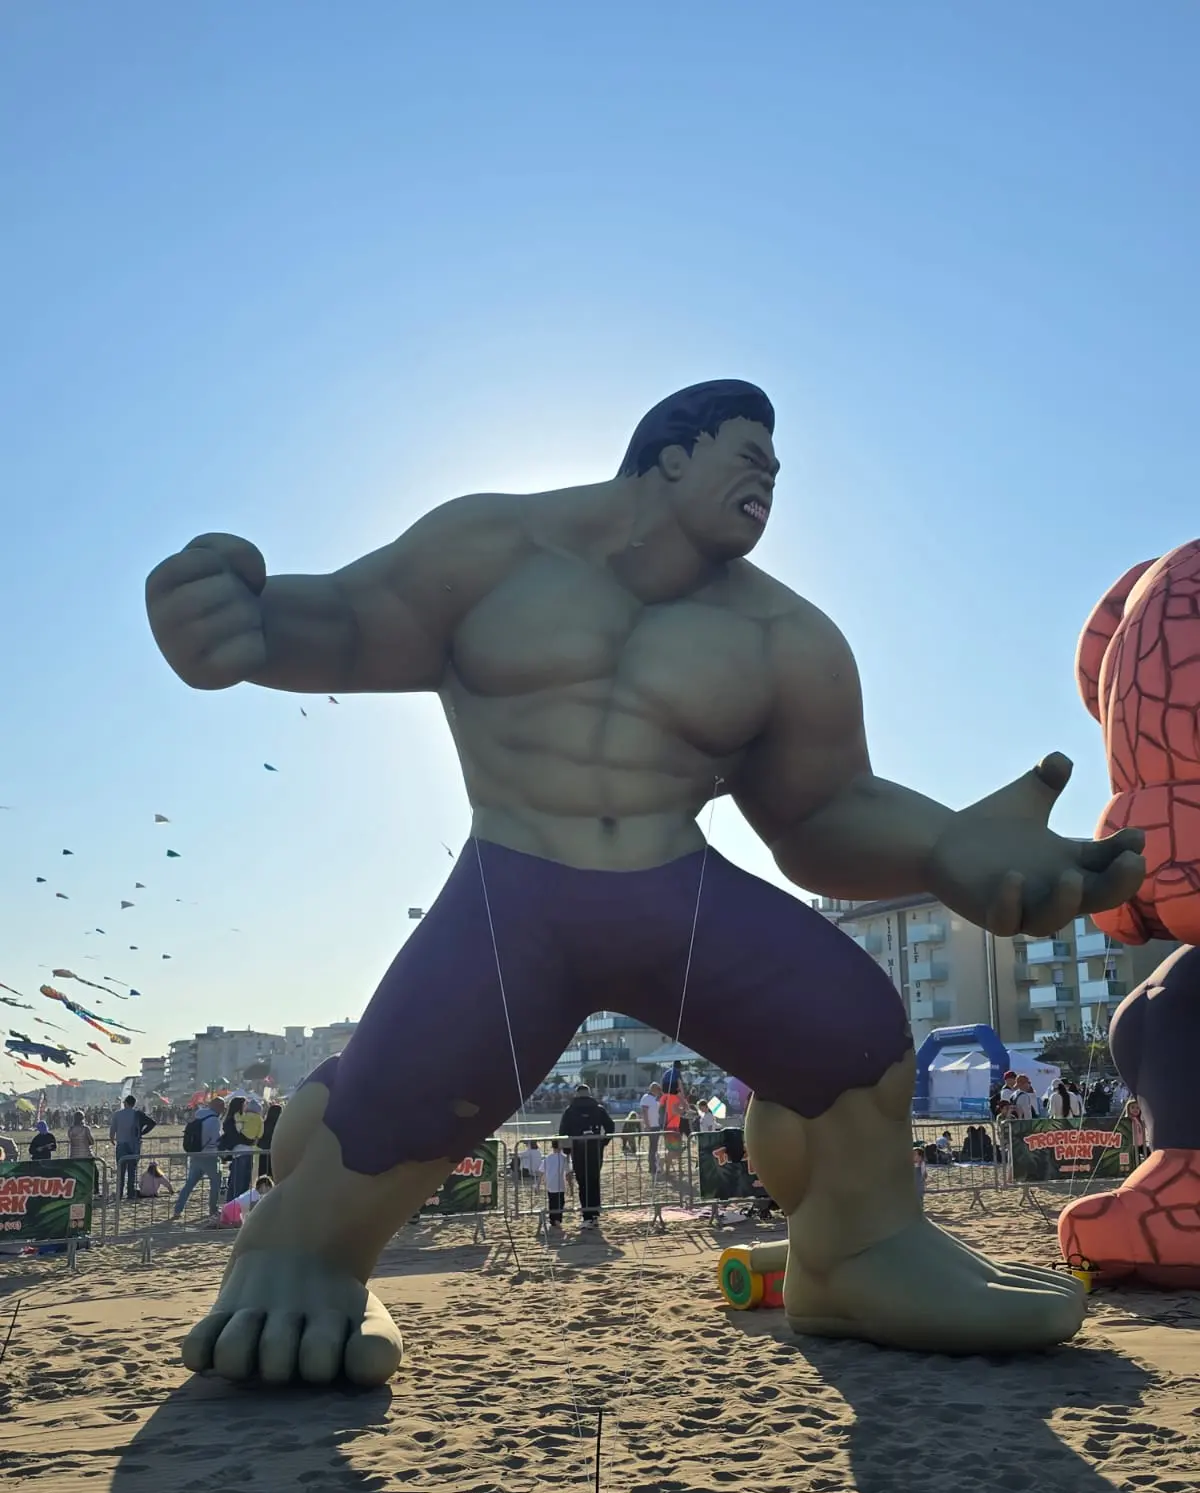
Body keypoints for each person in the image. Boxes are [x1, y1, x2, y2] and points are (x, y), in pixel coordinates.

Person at [146, 378, 1144, 1384]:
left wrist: (948, 847)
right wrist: (237, 621)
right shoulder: (494, 544)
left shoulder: (786, 635)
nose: (767, 482)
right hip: (514, 893)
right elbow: (354, 621)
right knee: (402, 1098)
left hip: (675, 896)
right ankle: (303, 1250)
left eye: (778, 472)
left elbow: (818, 815)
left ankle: (859, 1252)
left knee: (850, 1024)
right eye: (748, 457)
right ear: (670, 454)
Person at [558, 1084, 614, 1228]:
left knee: (583, 1183)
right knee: (594, 1180)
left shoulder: (570, 1110)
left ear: (577, 1094)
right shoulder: (598, 1109)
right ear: (589, 1094)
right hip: (595, 1149)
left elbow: (563, 1131)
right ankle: (594, 1214)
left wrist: (567, 1150)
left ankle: (587, 1216)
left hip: (578, 1150)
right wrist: (603, 1142)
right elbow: (610, 1126)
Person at [173, 1097, 225, 1220]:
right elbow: (215, 1140)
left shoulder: (198, 1115)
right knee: (216, 1182)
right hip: (210, 1156)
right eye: (222, 1107)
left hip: (196, 1154)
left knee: (189, 1184)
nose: (223, 1110)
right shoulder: (214, 1120)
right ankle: (213, 1209)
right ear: (218, 1107)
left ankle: (178, 1209)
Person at [110, 1095, 155, 1202]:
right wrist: (142, 1133)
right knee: (132, 1170)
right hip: (134, 1145)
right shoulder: (137, 1114)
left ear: (125, 1103)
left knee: (121, 1170)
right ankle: (130, 1193)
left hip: (121, 1144)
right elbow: (152, 1123)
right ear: (134, 1104)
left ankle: (119, 1193)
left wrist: (112, 1139)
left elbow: (112, 1129)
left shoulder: (117, 1114)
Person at [542, 1139, 571, 1228]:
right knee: (560, 1203)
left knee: (552, 1202)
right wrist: (570, 1186)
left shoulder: (548, 1157)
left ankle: (553, 1219)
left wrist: (539, 1184)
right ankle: (557, 1219)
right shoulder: (563, 1158)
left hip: (550, 1184)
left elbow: (541, 1171)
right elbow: (568, 1173)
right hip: (559, 1185)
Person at [638, 1082, 662, 1175]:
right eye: (658, 1090)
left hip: (656, 1125)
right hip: (651, 1126)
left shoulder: (654, 1099)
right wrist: (647, 1125)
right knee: (653, 1147)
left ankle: (654, 1166)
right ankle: (652, 1167)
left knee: (654, 1147)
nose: (659, 1092)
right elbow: (644, 1112)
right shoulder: (646, 1098)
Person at [258, 1099, 282, 1180]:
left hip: (264, 1153)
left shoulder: (264, 1124)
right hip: (275, 1153)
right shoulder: (279, 1126)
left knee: (263, 1176)